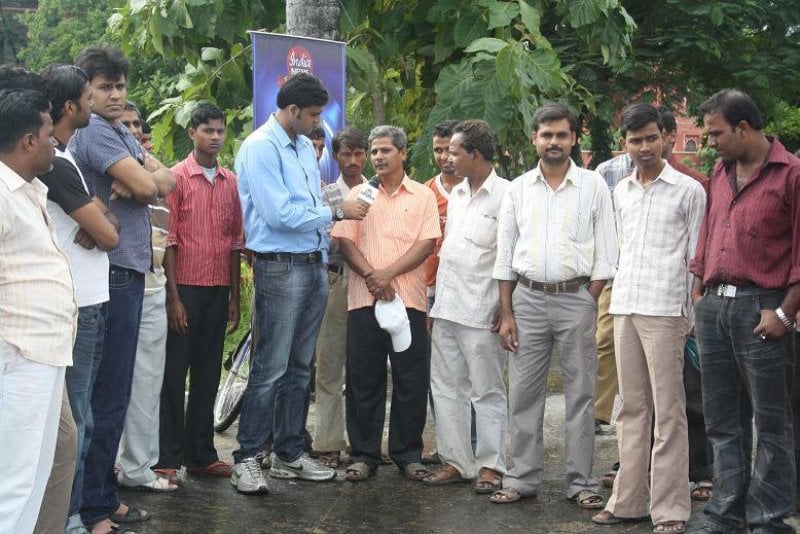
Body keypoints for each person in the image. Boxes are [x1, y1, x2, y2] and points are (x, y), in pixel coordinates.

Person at [232, 72, 368, 494]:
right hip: (279, 266)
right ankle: (247, 457)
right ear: (291, 110)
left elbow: (309, 203)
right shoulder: (260, 147)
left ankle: (289, 454)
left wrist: (332, 208)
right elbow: (279, 215)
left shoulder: (305, 148)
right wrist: (338, 212)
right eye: (311, 114)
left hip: (313, 264)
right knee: (270, 367)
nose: (317, 122)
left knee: (298, 367)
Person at [69, 45, 174, 534]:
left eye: (120, 85)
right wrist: (142, 182)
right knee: (104, 397)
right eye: (104, 86)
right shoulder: (93, 129)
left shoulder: (120, 130)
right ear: (85, 89)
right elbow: (153, 185)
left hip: (128, 269)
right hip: (109, 272)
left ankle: (102, 498)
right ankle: (91, 507)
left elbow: (167, 179)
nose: (115, 95)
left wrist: (141, 181)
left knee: (115, 394)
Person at [491, 103, 617, 506]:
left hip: (577, 298)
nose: (554, 142)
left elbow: (607, 252)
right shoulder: (517, 189)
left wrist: (587, 298)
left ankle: (580, 482)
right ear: (535, 139)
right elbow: (504, 255)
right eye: (546, 135)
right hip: (526, 299)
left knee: (581, 395)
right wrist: (507, 313)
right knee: (523, 394)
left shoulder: (593, 186)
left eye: (562, 134)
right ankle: (521, 478)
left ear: (574, 138)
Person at [590, 104, 706, 534]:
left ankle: (671, 508)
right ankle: (628, 502)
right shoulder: (621, 191)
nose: (644, 147)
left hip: (666, 311)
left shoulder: (689, 191)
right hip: (625, 306)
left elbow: (696, 260)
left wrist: (688, 316)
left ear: (666, 138)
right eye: (635, 140)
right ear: (624, 144)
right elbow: (618, 250)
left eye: (651, 138)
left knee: (670, 412)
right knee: (632, 409)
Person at [690, 89, 800, 533]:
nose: (710, 141)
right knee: (722, 420)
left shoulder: (791, 174)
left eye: (716, 133)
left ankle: (769, 519)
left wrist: (785, 314)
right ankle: (726, 514)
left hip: (763, 309)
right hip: (715, 306)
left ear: (743, 128)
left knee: (772, 422)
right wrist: (699, 291)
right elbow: (709, 231)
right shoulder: (720, 170)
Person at [34, 64, 121, 534]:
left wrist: (102, 219)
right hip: (78, 304)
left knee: (80, 418)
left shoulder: (63, 159)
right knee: (76, 422)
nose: (95, 104)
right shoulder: (55, 163)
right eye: (90, 97)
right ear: (70, 106)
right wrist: (103, 221)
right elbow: (107, 233)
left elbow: (106, 224)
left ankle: (75, 513)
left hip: (87, 301)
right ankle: (69, 518)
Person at [331, 125, 441, 483]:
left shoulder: (422, 195)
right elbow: (346, 242)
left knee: (411, 379)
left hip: (409, 300)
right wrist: (372, 277)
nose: (378, 157)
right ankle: (364, 455)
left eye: (385, 151)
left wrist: (388, 275)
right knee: (364, 379)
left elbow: (427, 243)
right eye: (374, 151)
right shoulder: (359, 196)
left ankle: (407, 454)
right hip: (364, 300)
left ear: (403, 153)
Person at [0, 86, 77, 534]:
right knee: (14, 480)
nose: (55, 143)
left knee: (30, 476)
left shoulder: (25, 190)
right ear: (29, 140)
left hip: (42, 353)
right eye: (49, 134)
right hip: (18, 353)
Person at [157, 102, 243, 480]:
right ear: (192, 132)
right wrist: (173, 298)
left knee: (208, 374)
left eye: (220, 130)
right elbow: (169, 241)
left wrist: (235, 297)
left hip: (218, 288)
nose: (215, 137)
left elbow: (235, 242)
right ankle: (167, 457)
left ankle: (202, 455)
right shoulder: (175, 178)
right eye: (208, 130)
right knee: (174, 374)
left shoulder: (231, 182)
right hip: (185, 288)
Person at [423, 119, 509, 493]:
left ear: (475, 154)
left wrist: (506, 307)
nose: (448, 158)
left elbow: (508, 256)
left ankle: (491, 465)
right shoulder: (457, 194)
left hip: (483, 309)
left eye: (455, 152)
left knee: (486, 390)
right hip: (447, 306)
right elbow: (447, 253)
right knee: (446, 388)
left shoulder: (507, 195)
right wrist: (433, 302)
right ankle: (456, 461)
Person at [116, 102, 177, 493]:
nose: (134, 130)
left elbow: (169, 181)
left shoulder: (150, 170)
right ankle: (107, 467)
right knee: (111, 383)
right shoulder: (104, 167)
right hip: (117, 288)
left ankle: (139, 467)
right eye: (125, 124)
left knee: (147, 384)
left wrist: (149, 175)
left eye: (137, 124)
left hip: (153, 288)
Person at [313, 126, 369, 468]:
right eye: (346, 154)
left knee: (365, 369)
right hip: (335, 279)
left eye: (358, 153)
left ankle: (365, 446)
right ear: (335, 156)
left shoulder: (377, 191)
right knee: (329, 364)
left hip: (371, 281)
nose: (353, 160)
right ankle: (329, 443)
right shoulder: (326, 194)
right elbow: (322, 236)